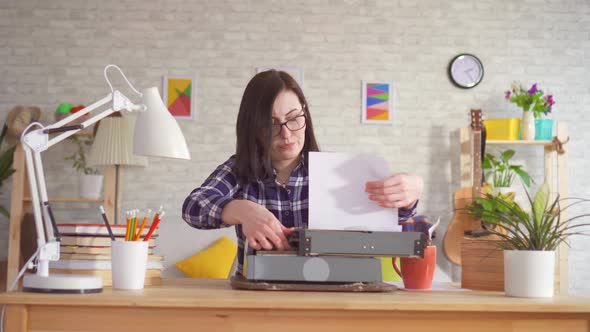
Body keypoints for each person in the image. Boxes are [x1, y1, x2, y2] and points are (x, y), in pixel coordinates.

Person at [182, 70, 423, 275]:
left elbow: (395, 216)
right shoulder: (238, 170)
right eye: (271, 124)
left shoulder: (337, 172)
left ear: (305, 113)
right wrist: (241, 209)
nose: (286, 134)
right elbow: (193, 207)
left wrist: (411, 191)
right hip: (258, 299)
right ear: (253, 128)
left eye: (293, 118)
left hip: (334, 297)